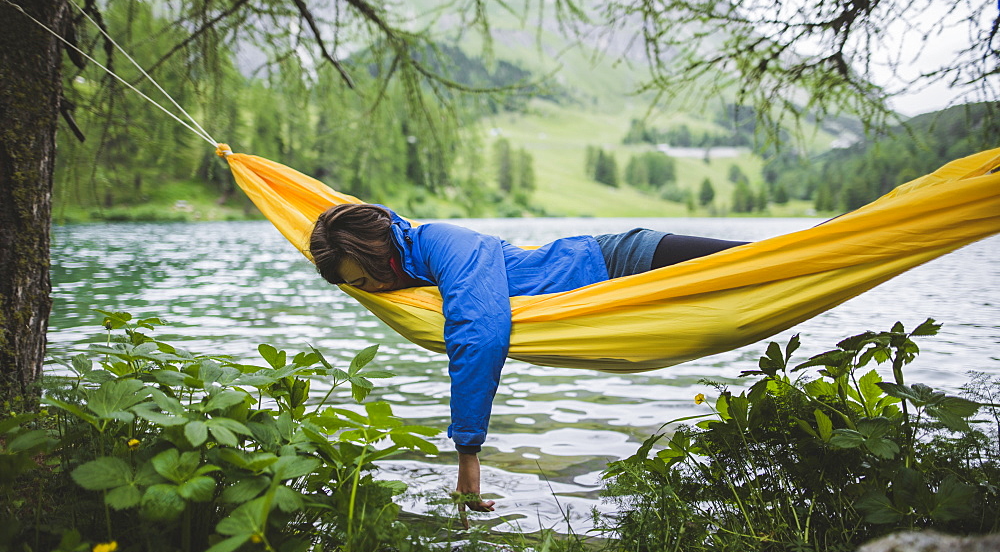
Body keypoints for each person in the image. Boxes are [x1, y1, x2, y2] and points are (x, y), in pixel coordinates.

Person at [309, 203, 746, 512]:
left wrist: (467, 450)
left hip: (626, 263)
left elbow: (479, 333)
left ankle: (821, 244)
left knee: (774, 261)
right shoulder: (405, 266)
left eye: (364, 280)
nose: (369, 292)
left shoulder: (445, 242)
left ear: (380, 257)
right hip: (609, 293)